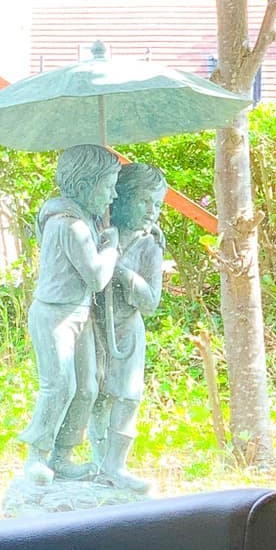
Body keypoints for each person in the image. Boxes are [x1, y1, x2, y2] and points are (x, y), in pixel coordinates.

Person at [21, 144, 120, 487]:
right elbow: (96, 276)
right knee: (59, 386)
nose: (113, 194)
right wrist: (111, 247)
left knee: (87, 388)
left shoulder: (84, 221)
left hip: (78, 313)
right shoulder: (68, 225)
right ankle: (37, 454)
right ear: (84, 185)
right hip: (54, 315)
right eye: (108, 185)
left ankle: (63, 455)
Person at [89, 160, 168, 493]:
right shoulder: (100, 233)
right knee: (95, 395)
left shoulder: (149, 247)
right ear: (119, 198)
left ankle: (116, 464)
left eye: (158, 205)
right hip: (94, 326)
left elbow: (150, 301)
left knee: (126, 396)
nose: (152, 211)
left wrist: (122, 273)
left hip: (128, 331)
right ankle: (97, 461)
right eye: (144, 201)